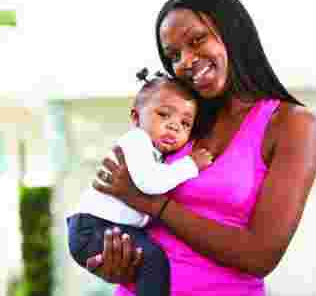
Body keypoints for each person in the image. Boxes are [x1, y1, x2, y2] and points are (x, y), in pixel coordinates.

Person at [86, 0, 316, 296]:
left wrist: (153, 204)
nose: (185, 61)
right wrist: (116, 260)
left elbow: (260, 255)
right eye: (173, 56)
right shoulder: (180, 120)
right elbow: (127, 202)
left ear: (233, 32)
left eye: (197, 40)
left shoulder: (292, 124)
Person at [67, 68, 214, 296]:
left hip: (103, 226)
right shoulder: (137, 141)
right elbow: (150, 184)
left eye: (185, 123)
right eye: (164, 115)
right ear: (136, 118)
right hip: (93, 227)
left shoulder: (154, 152)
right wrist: (191, 165)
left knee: (149, 262)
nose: (174, 126)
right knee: (153, 260)